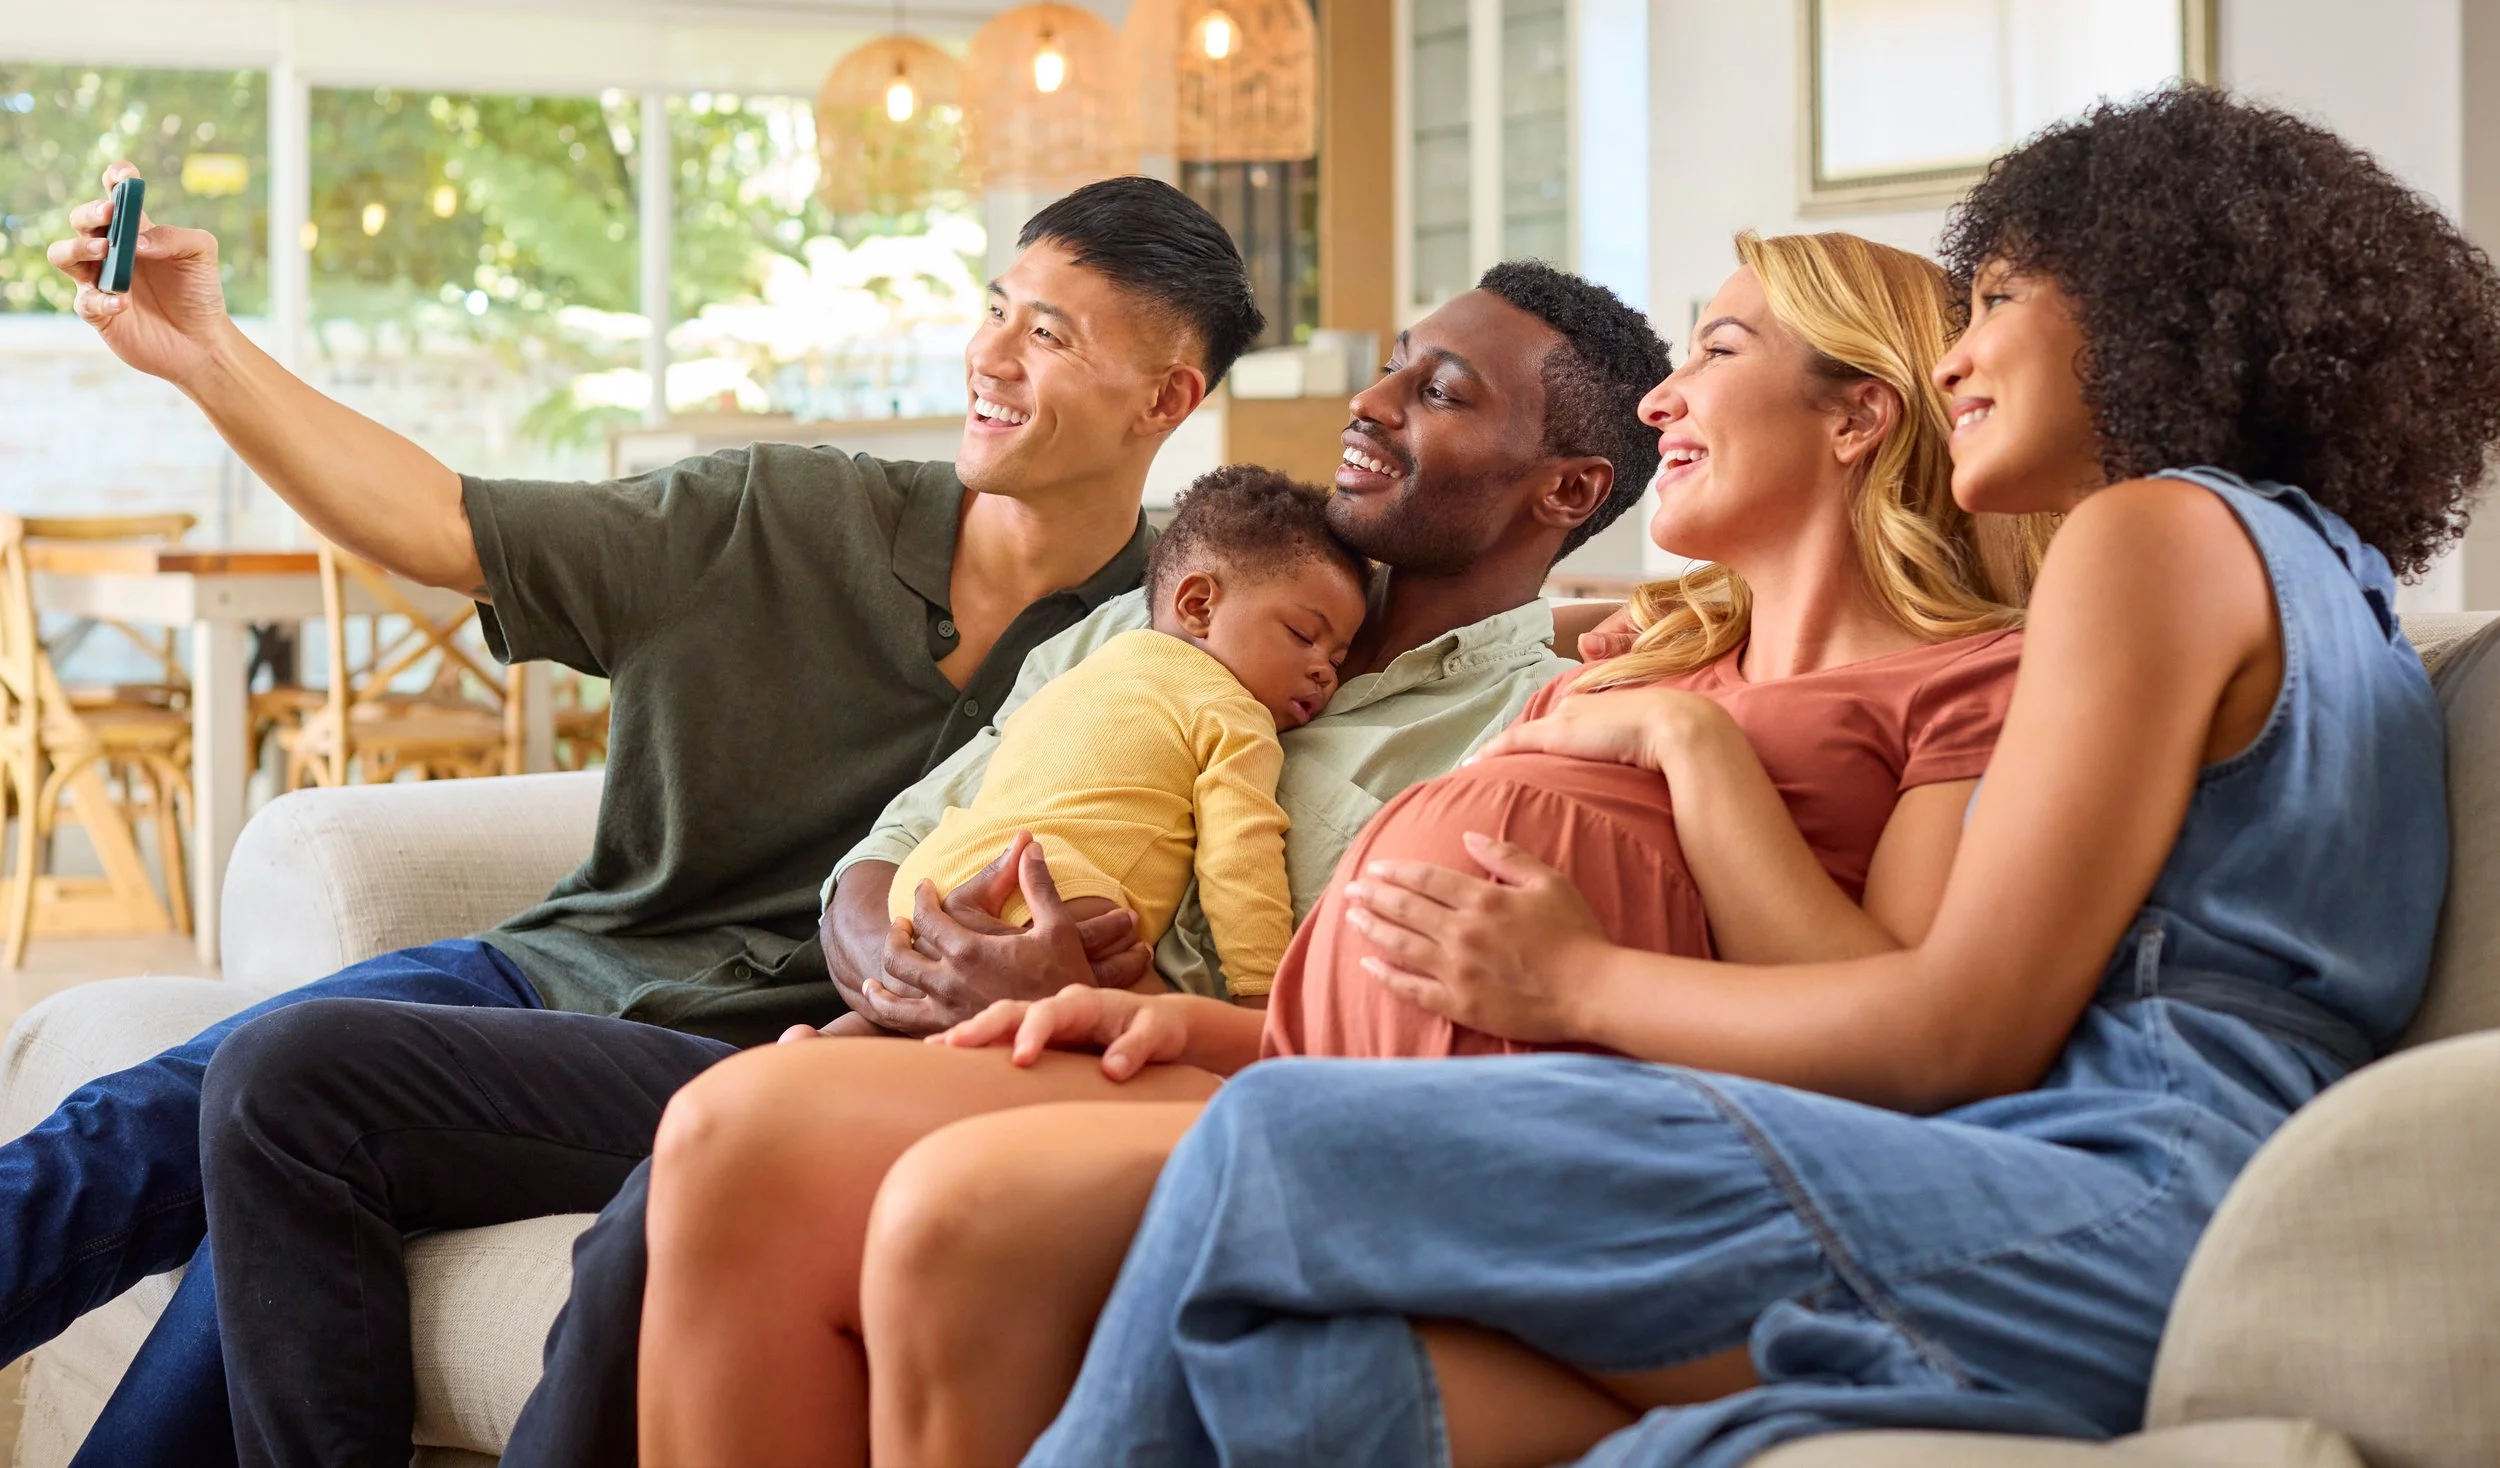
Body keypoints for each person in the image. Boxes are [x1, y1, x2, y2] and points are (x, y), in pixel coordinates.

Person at [935, 87, 2500, 1468]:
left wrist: (1579, 984)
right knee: (1313, 1380)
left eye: (2004, 294)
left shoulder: (2152, 537)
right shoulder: (2324, 584)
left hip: (2109, 1208)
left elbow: (1957, 1027)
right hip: (2096, 1204)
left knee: (1274, 1149)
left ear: (2154, 302)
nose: (1960, 352)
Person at [195, 258, 1672, 1468]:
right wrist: (894, 952)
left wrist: (1078, 985)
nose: (1376, 399)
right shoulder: (1163, 607)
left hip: (1095, 1081)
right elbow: (896, 838)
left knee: (704, 1177)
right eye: (1400, 359)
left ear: (1563, 491)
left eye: (1443, 390)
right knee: (288, 1075)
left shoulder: (1532, 720)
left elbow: (1370, 1013)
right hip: (874, 1017)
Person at [630, 229, 2052, 1466]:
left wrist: (1702, 763)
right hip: (1306, 1064)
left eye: (1716, 352)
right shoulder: (1643, 654)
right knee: (731, 1125)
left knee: (953, 1209)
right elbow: (1379, 960)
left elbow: (1890, 1033)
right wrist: (1156, 1013)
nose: (1666, 398)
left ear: (1860, 418)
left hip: (1484, 1128)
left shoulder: (1960, 681)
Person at [26, 169, 1263, 1466]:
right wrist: (208, 354)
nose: (990, 355)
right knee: (149, 1118)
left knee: (285, 1092)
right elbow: (443, 525)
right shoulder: (772, 516)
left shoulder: (1177, 628)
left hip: (762, 1061)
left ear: (1168, 400)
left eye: (1050, 335)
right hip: (546, 976)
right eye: (997, 309)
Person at [883, 464, 1370, 1003]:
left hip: (936, 872)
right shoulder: (1232, 712)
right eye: (1304, 635)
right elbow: (1240, 856)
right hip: (1053, 892)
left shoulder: (1095, 662)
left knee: (908, 1011)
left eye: (1338, 657)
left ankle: (831, 1037)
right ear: (1198, 606)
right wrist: (1260, 992)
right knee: (1136, 997)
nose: (1324, 671)